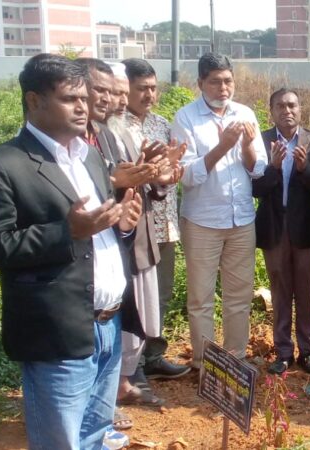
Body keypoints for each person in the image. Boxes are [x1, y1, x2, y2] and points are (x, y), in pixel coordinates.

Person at [0, 53, 143, 450]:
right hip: (57, 329)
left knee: (94, 435)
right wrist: (66, 232)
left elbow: (96, 231)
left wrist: (121, 223)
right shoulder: (4, 164)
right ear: (34, 101)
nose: (82, 107)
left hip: (108, 325)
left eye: (84, 99)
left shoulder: (88, 156)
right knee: (61, 443)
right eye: (69, 99)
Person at [173, 53, 267, 366]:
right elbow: (186, 175)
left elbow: (258, 169)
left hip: (241, 219)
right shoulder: (185, 118)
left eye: (228, 81)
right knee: (200, 298)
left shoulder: (245, 113)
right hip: (201, 221)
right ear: (200, 83)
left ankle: (235, 359)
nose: (223, 88)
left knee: (239, 297)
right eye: (215, 82)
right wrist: (222, 147)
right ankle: (204, 363)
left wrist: (245, 147)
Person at [121, 58, 191, 381]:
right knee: (133, 294)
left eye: (153, 88)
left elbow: (164, 177)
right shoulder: (114, 127)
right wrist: (151, 170)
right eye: (141, 88)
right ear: (126, 89)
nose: (149, 94)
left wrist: (170, 175)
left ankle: (154, 354)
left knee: (160, 292)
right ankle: (128, 364)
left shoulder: (162, 125)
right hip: (131, 225)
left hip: (164, 223)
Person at [253, 88, 310, 376]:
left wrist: (303, 166)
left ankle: (308, 351)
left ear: (301, 108)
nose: (287, 111)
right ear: (271, 111)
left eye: (292, 105)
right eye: (280, 106)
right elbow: (255, 189)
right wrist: (273, 167)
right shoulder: (262, 141)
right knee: (280, 290)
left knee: (306, 291)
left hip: (306, 227)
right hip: (274, 226)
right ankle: (283, 352)